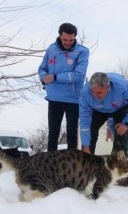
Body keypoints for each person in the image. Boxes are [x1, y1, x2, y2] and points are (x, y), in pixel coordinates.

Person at [38, 23, 89, 151]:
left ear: (75, 37)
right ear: (60, 36)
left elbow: (78, 75)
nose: (68, 43)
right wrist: (44, 77)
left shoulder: (82, 51)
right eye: (65, 39)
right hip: (54, 98)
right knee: (53, 134)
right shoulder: (51, 49)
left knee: (72, 134)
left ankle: (72, 166)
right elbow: (42, 69)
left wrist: (54, 77)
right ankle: (50, 166)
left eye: (71, 40)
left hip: (73, 99)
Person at [79, 72, 128, 155]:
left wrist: (126, 123)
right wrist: (86, 146)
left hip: (120, 108)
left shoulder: (123, 86)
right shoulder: (85, 93)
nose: (94, 95)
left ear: (107, 88)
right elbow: (84, 120)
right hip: (98, 111)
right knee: (90, 131)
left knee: (121, 134)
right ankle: (87, 161)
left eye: (99, 92)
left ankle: (118, 163)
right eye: (92, 92)